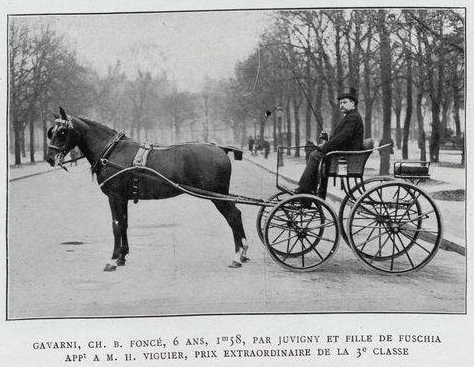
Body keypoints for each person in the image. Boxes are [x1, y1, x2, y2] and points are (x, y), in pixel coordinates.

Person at [295, 87, 364, 194]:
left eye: (345, 102)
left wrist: (325, 146)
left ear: (353, 103)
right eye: (340, 103)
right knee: (314, 152)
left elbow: (343, 138)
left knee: (314, 155)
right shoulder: (350, 117)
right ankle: (308, 190)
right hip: (343, 152)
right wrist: (328, 138)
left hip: (345, 155)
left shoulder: (353, 118)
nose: (341, 105)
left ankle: (305, 190)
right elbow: (342, 137)